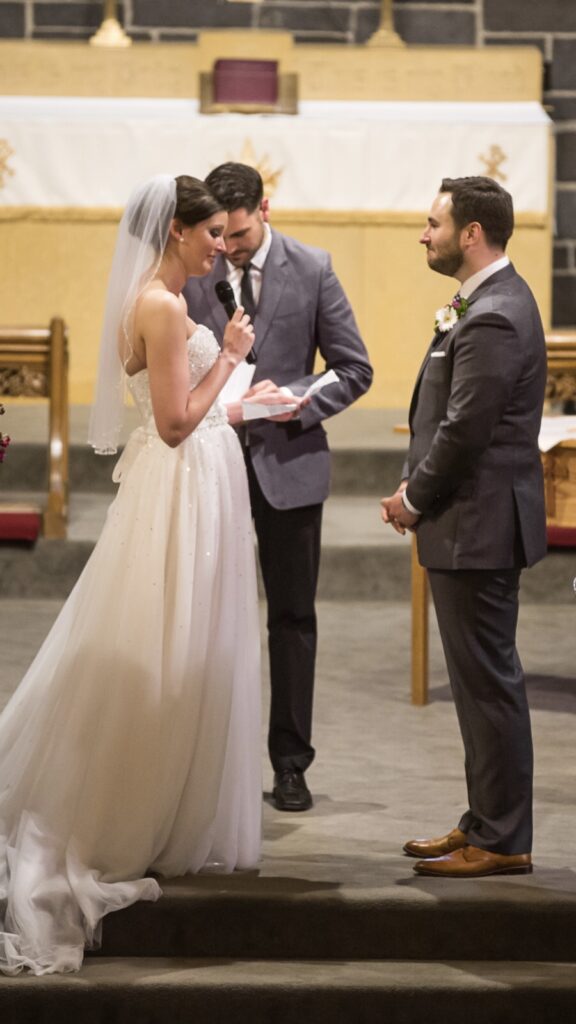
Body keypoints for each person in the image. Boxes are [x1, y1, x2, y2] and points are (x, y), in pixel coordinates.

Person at [0, 174, 263, 975]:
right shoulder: (162, 306)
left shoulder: (162, 298)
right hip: (179, 488)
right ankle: (122, 813)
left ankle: (169, 806)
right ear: (177, 230)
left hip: (188, 485)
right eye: (211, 233)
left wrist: (231, 395)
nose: (221, 246)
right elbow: (177, 424)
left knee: (182, 647)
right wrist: (232, 359)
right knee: (165, 648)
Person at [184, 163, 373, 812]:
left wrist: (294, 398)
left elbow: (354, 368)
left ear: (264, 210)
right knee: (204, 620)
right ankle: (206, 770)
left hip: (289, 467)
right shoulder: (194, 268)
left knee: (292, 620)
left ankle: (290, 765)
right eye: (220, 235)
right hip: (211, 463)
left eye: (238, 235)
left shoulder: (313, 268)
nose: (228, 248)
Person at [381, 176, 547, 878]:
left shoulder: (495, 315)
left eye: (435, 223)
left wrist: (414, 498)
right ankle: (485, 821)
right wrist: (415, 486)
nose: (425, 234)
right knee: (479, 685)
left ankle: (503, 839)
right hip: (468, 522)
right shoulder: (481, 302)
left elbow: (465, 430)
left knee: (487, 686)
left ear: (471, 233)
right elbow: (448, 417)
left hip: (477, 525)